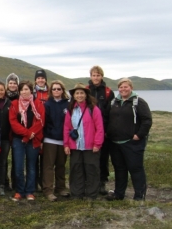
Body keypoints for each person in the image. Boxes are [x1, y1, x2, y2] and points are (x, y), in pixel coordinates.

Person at [106, 78, 152, 201]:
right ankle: (119, 193)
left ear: (131, 87)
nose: (123, 89)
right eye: (121, 87)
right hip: (115, 142)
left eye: (126, 87)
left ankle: (139, 195)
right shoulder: (114, 102)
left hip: (132, 143)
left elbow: (147, 120)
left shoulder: (138, 102)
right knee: (119, 169)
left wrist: (139, 135)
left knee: (135, 168)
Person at [63, 83, 104, 200]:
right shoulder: (71, 110)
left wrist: (97, 143)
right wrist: (66, 144)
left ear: (86, 95)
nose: (79, 95)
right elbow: (67, 127)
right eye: (77, 93)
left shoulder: (94, 109)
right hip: (75, 145)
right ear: (74, 96)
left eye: (82, 93)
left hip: (90, 146)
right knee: (76, 169)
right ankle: (77, 193)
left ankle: (91, 194)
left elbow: (99, 128)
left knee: (92, 170)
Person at [9, 80, 45, 201]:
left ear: (31, 90)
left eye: (26, 89)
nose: (24, 91)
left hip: (33, 140)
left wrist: (30, 136)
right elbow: (13, 123)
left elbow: (40, 121)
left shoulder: (38, 104)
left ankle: (30, 191)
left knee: (31, 166)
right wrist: (27, 134)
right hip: (19, 140)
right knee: (18, 167)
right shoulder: (14, 104)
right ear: (19, 92)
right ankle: (19, 191)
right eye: (22, 89)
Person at [87, 65, 115, 195]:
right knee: (89, 157)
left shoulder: (109, 92)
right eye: (94, 75)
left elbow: (111, 113)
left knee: (103, 157)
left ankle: (102, 182)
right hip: (88, 130)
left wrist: (107, 130)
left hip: (103, 130)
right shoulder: (86, 90)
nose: (96, 77)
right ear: (90, 76)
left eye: (98, 75)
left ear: (101, 76)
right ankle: (91, 182)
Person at [42, 80, 70, 201]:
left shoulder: (68, 104)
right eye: (54, 89)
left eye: (59, 89)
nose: (56, 91)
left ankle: (61, 188)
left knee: (61, 165)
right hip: (50, 139)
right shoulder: (47, 105)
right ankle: (48, 190)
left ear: (62, 90)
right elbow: (44, 122)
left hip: (63, 140)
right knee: (48, 166)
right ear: (51, 91)